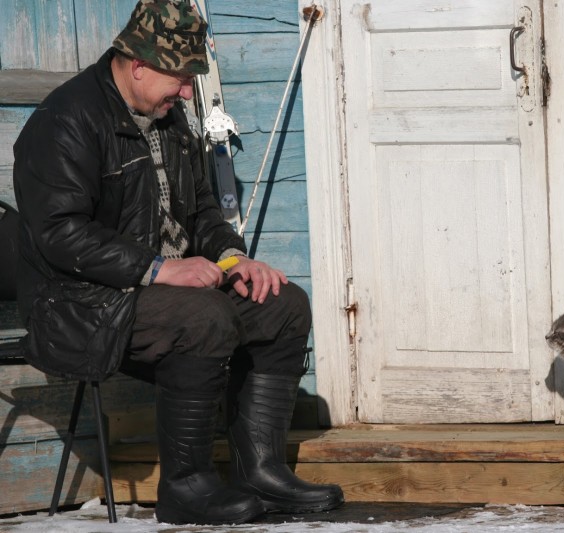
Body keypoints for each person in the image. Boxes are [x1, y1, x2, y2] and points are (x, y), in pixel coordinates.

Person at [12, 0, 343, 525]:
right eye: (181, 77)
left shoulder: (167, 115)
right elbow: (59, 233)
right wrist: (159, 269)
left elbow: (202, 212)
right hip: (78, 305)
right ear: (137, 64)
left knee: (281, 303)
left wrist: (235, 259)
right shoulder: (65, 122)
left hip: (159, 295)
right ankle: (185, 488)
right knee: (203, 317)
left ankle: (262, 471)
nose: (189, 91)